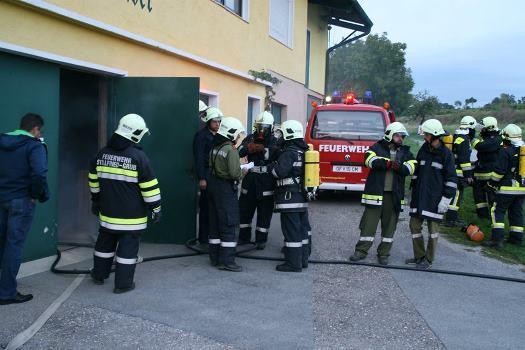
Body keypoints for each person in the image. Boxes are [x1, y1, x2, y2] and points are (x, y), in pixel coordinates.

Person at [90, 113, 161, 294]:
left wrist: (96, 200)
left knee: (104, 245)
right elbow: (150, 187)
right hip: (131, 218)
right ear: (135, 134)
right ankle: (123, 285)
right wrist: (156, 208)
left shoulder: (101, 153)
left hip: (107, 214)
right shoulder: (139, 157)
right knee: (127, 251)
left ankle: (99, 275)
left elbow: (93, 180)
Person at [349, 122, 416, 265]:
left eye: (402, 137)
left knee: (390, 226)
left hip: (394, 196)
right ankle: (361, 251)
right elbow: (368, 160)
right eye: (399, 136)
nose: (401, 139)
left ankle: (384, 254)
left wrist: (400, 166)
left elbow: (411, 167)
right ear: (390, 135)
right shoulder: (376, 148)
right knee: (368, 225)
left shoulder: (405, 152)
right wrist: (388, 163)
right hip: (375, 194)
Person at [0, 113, 49, 305]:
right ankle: (6, 293)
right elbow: (39, 173)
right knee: (14, 245)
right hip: (21, 201)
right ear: (35, 129)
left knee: (2, 242)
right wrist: (36, 195)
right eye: (40, 131)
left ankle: (4, 286)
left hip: (2, 198)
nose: (40, 135)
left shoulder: (3, 140)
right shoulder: (34, 146)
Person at [407, 119, 457, 269]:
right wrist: (412, 189)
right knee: (414, 226)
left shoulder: (446, 154)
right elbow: (417, 172)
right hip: (419, 196)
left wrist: (446, 199)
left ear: (435, 135)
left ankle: (428, 260)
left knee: (433, 231)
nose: (424, 137)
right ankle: (419, 256)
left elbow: (452, 179)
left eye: (427, 135)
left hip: (435, 199)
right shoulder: (424, 149)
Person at [268, 120, 309, 272]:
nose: (280, 136)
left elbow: (278, 173)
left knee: (291, 231)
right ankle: (303, 260)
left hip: (289, 198)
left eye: (282, 133)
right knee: (302, 231)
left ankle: (293, 264)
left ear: (289, 134)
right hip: (301, 197)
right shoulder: (304, 151)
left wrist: (272, 165)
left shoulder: (289, 153)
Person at [237, 111, 281, 250]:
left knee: (264, 213)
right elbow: (239, 151)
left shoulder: (275, 141)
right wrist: (250, 148)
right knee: (245, 211)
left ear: (271, 127)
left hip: (267, 182)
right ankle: (243, 238)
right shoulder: (250, 138)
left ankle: (261, 240)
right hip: (250, 181)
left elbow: (278, 157)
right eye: (259, 126)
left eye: (265, 127)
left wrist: (264, 149)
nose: (261, 130)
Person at [208, 117, 245, 272]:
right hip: (225, 189)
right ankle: (228, 261)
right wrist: (244, 169)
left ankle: (215, 258)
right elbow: (235, 173)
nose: (237, 138)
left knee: (215, 223)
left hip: (213, 186)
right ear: (231, 133)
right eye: (237, 135)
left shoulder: (215, 147)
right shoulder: (230, 150)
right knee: (229, 223)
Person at [484, 124, 525, 249]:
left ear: (507, 137)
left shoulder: (506, 151)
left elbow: (499, 172)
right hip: (522, 189)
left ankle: (497, 240)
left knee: (497, 211)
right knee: (516, 212)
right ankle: (516, 239)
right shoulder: (523, 151)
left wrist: (491, 183)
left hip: (506, 189)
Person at [193, 105, 223, 245]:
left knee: (214, 208)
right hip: (206, 173)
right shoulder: (201, 136)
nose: (217, 124)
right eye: (215, 122)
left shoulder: (219, 135)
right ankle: (203, 239)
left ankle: (213, 237)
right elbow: (198, 158)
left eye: (219, 122)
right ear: (208, 121)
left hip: (216, 175)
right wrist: (202, 178)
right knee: (205, 208)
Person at [444, 116, 476, 226]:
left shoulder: (456, 136)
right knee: (456, 195)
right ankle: (451, 220)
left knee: (454, 194)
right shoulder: (465, 139)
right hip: (458, 172)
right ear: (470, 128)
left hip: (452, 169)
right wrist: (468, 175)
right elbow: (464, 160)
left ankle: (451, 217)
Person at [472, 116, 502, 218]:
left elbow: (483, 147)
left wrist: (473, 141)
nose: (481, 130)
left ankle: (494, 217)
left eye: (483, 128)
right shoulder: (488, 138)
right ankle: (482, 216)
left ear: (489, 128)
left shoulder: (496, 139)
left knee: (492, 197)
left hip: (490, 175)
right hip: (481, 172)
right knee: (479, 197)